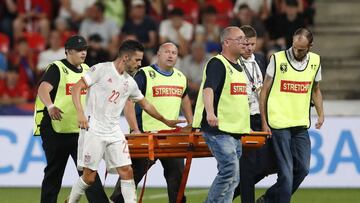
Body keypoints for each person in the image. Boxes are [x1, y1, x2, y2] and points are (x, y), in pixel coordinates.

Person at [66, 40, 185, 203]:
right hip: (93, 128)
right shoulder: (101, 69)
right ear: (126, 57)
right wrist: (80, 114)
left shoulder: (130, 82)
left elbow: (146, 104)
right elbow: (76, 88)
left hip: (114, 131)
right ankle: (71, 200)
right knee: (89, 177)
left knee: (127, 171)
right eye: (137, 60)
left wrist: (165, 121)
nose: (140, 64)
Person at [110, 42, 193, 203]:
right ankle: (116, 201)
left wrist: (192, 124)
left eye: (174, 53)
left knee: (177, 179)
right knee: (132, 175)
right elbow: (129, 102)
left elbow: (185, 100)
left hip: (172, 138)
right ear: (158, 55)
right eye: (167, 52)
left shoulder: (180, 77)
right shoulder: (144, 74)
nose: (170, 55)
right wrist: (135, 130)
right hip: (147, 136)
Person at [33, 35, 109, 203]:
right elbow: (43, 88)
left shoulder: (88, 69)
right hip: (56, 129)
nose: (83, 53)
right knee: (54, 172)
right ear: (68, 51)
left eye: (85, 50)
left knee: (89, 173)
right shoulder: (57, 68)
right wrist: (50, 106)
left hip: (80, 131)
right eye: (79, 50)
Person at [258, 28, 324, 203]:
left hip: (300, 124)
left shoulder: (315, 61)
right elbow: (264, 91)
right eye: (294, 47)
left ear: (310, 46)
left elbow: (316, 89)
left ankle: (268, 199)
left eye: (301, 49)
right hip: (278, 123)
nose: (296, 52)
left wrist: (321, 113)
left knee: (303, 169)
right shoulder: (278, 59)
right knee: (286, 173)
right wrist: (264, 120)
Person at [192, 26, 251, 203]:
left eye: (244, 39)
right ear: (226, 42)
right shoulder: (218, 63)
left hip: (235, 130)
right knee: (229, 171)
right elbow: (208, 89)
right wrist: (210, 112)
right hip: (219, 129)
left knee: (233, 178)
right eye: (239, 39)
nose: (244, 42)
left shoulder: (239, 66)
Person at [232, 25, 277, 203]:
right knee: (247, 167)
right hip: (244, 119)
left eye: (252, 44)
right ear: (240, 43)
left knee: (267, 165)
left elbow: (262, 89)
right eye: (246, 44)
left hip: (261, 117)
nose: (249, 48)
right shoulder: (233, 63)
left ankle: (225, 195)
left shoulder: (259, 59)